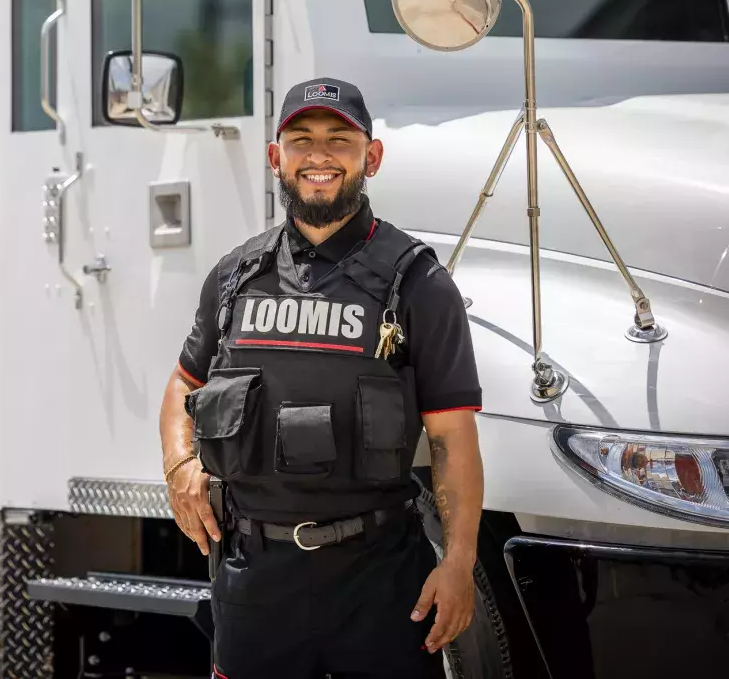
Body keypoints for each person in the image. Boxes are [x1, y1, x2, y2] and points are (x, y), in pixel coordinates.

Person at [158, 78, 485, 679]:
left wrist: (460, 562)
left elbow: (452, 437)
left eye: (340, 139)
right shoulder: (235, 277)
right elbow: (183, 385)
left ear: (372, 157)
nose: (319, 156)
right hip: (255, 577)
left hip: (380, 580)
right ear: (275, 157)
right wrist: (181, 468)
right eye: (301, 139)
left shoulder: (418, 284)